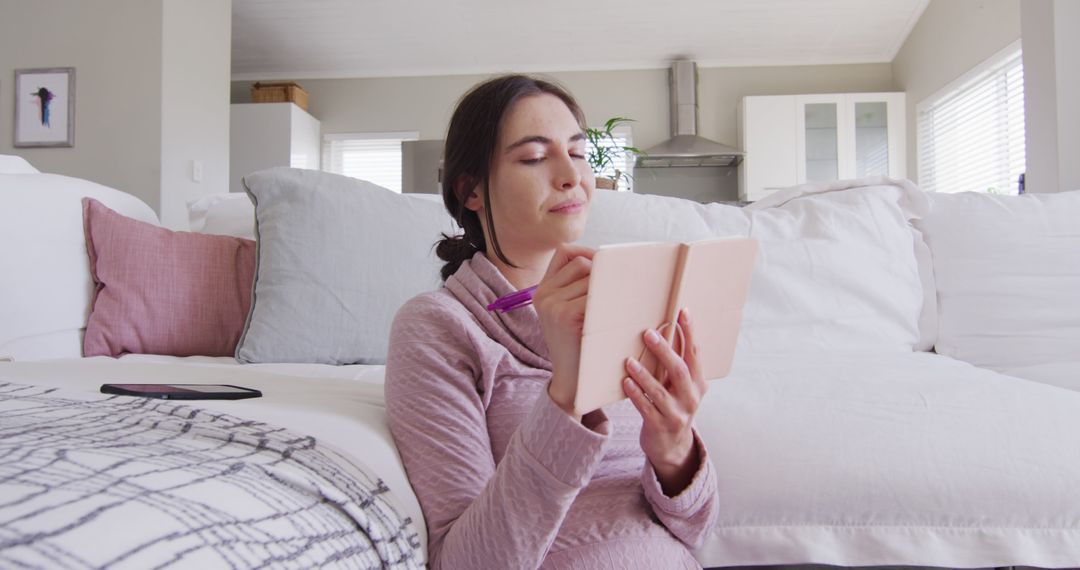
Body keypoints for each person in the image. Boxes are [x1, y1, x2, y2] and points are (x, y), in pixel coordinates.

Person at [385, 74, 719, 569]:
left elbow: (697, 533)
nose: (572, 176)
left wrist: (675, 451)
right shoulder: (439, 327)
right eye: (535, 157)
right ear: (471, 190)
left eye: (579, 153)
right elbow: (465, 562)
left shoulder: (631, 302)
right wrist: (565, 394)